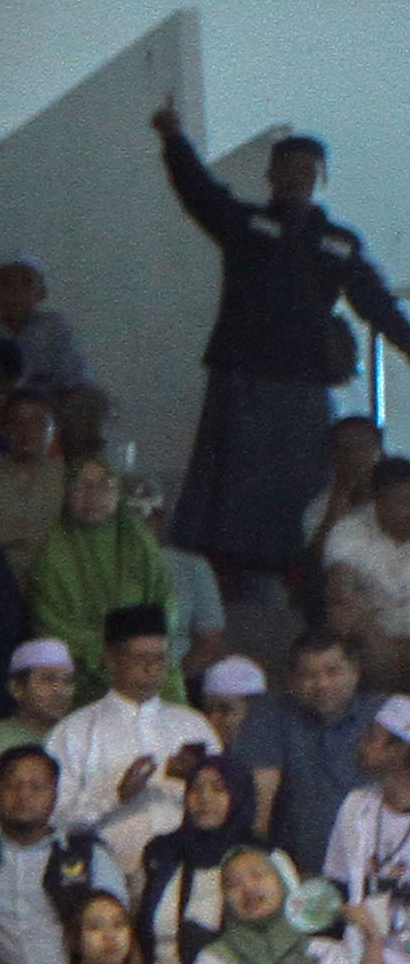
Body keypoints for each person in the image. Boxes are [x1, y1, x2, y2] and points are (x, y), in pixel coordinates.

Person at [158, 102, 410, 629]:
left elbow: (377, 304)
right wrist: (174, 139)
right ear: (271, 176)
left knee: (299, 493)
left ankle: (292, 590)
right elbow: (199, 193)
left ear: (322, 181)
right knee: (227, 493)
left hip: (303, 389)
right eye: (289, 171)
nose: (298, 180)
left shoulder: (339, 242)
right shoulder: (246, 224)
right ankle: (229, 598)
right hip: (242, 380)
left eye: (308, 173)